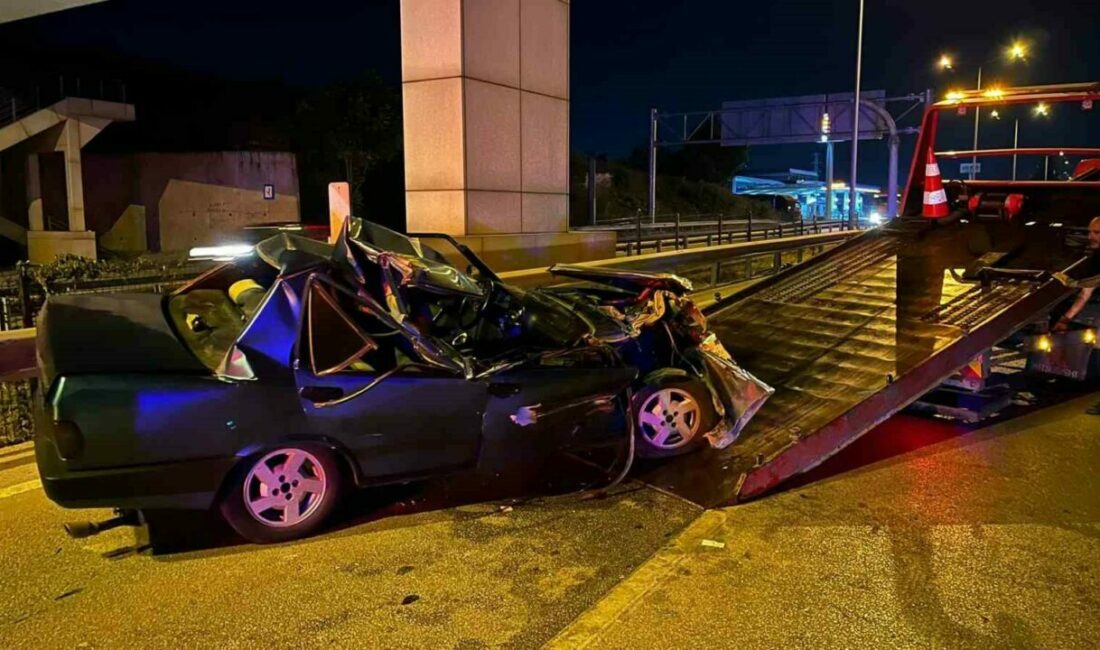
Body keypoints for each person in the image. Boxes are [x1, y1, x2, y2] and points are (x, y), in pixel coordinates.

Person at [1053, 216, 1100, 332]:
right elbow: (1085, 293)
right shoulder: (1096, 259)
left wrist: (1071, 283)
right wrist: (1065, 319)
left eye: (1097, 233)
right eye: (1090, 232)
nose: (1090, 237)